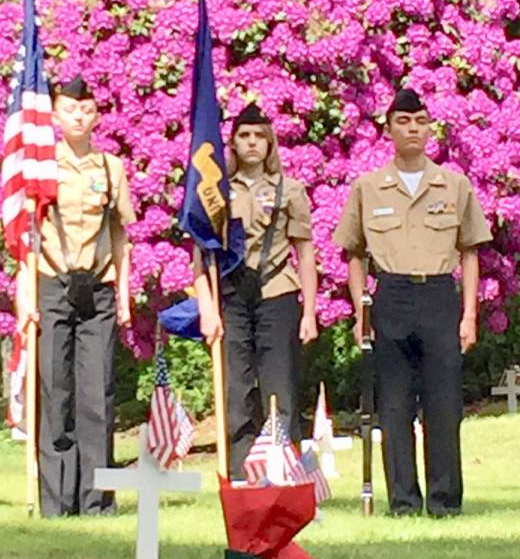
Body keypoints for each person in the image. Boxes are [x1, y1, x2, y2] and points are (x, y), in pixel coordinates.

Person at [333, 87, 491, 516]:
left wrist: (470, 315)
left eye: (420, 121)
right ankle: (403, 501)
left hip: (440, 294)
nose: (413, 129)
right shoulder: (368, 187)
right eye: (404, 122)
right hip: (392, 296)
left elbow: (471, 252)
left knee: (443, 404)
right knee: (395, 404)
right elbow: (352, 253)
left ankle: (444, 501)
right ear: (389, 129)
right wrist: (361, 310)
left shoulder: (454, 185)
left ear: (430, 128)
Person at [17, 75, 134, 517]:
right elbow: (24, 240)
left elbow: (120, 233)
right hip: (53, 282)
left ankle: (97, 499)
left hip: (98, 285)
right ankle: (57, 499)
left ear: (96, 114)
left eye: (87, 110)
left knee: (97, 393)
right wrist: (25, 296)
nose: (79, 117)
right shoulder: (41, 167)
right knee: (55, 389)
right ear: (55, 114)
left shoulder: (110, 168)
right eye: (70, 109)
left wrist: (123, 294)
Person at [194, 103, 319, 479]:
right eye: (244, 136)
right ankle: (241, 473)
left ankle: (283, 472)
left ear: (270, 143)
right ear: (232, 143)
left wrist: (310, 312)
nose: (251, 143)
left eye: (259, 136)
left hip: (277, 292)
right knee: (237, 388)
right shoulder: (216, 192)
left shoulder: (289, 190)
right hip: (231, 295)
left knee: (279, 385)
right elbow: (200, 256)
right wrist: (207, 308)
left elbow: (305, 252)